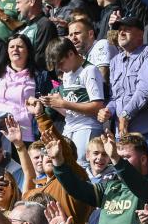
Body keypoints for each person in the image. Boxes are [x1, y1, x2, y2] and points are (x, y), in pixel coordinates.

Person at [100, 16, 148, 161]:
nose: (121, 33)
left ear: (140, 34)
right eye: (120, 30)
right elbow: (116, 97)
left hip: (147, 136)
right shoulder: (115, 61)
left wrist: (125, 114)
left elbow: (145, 90)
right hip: (122, 137)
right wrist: (108, 109)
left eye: (127, 29)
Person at [41, 38, 105, 169]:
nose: (59, 68)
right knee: (65, 164)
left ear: (71, 54)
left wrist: (63, 103)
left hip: (87, 127)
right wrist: (55, 104)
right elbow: (70, 112)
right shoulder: (67, 74)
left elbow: (97, 107)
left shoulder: (89, 70)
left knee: (81, 166)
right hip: (69, 126)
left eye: (61, 63)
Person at [0, 33, 51, 144]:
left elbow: (48, 105)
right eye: (12, 47)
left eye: (20, 46)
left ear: (28, 51)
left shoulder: (40, 76)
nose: (15, 49)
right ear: (7, 52)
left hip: (26, 136)